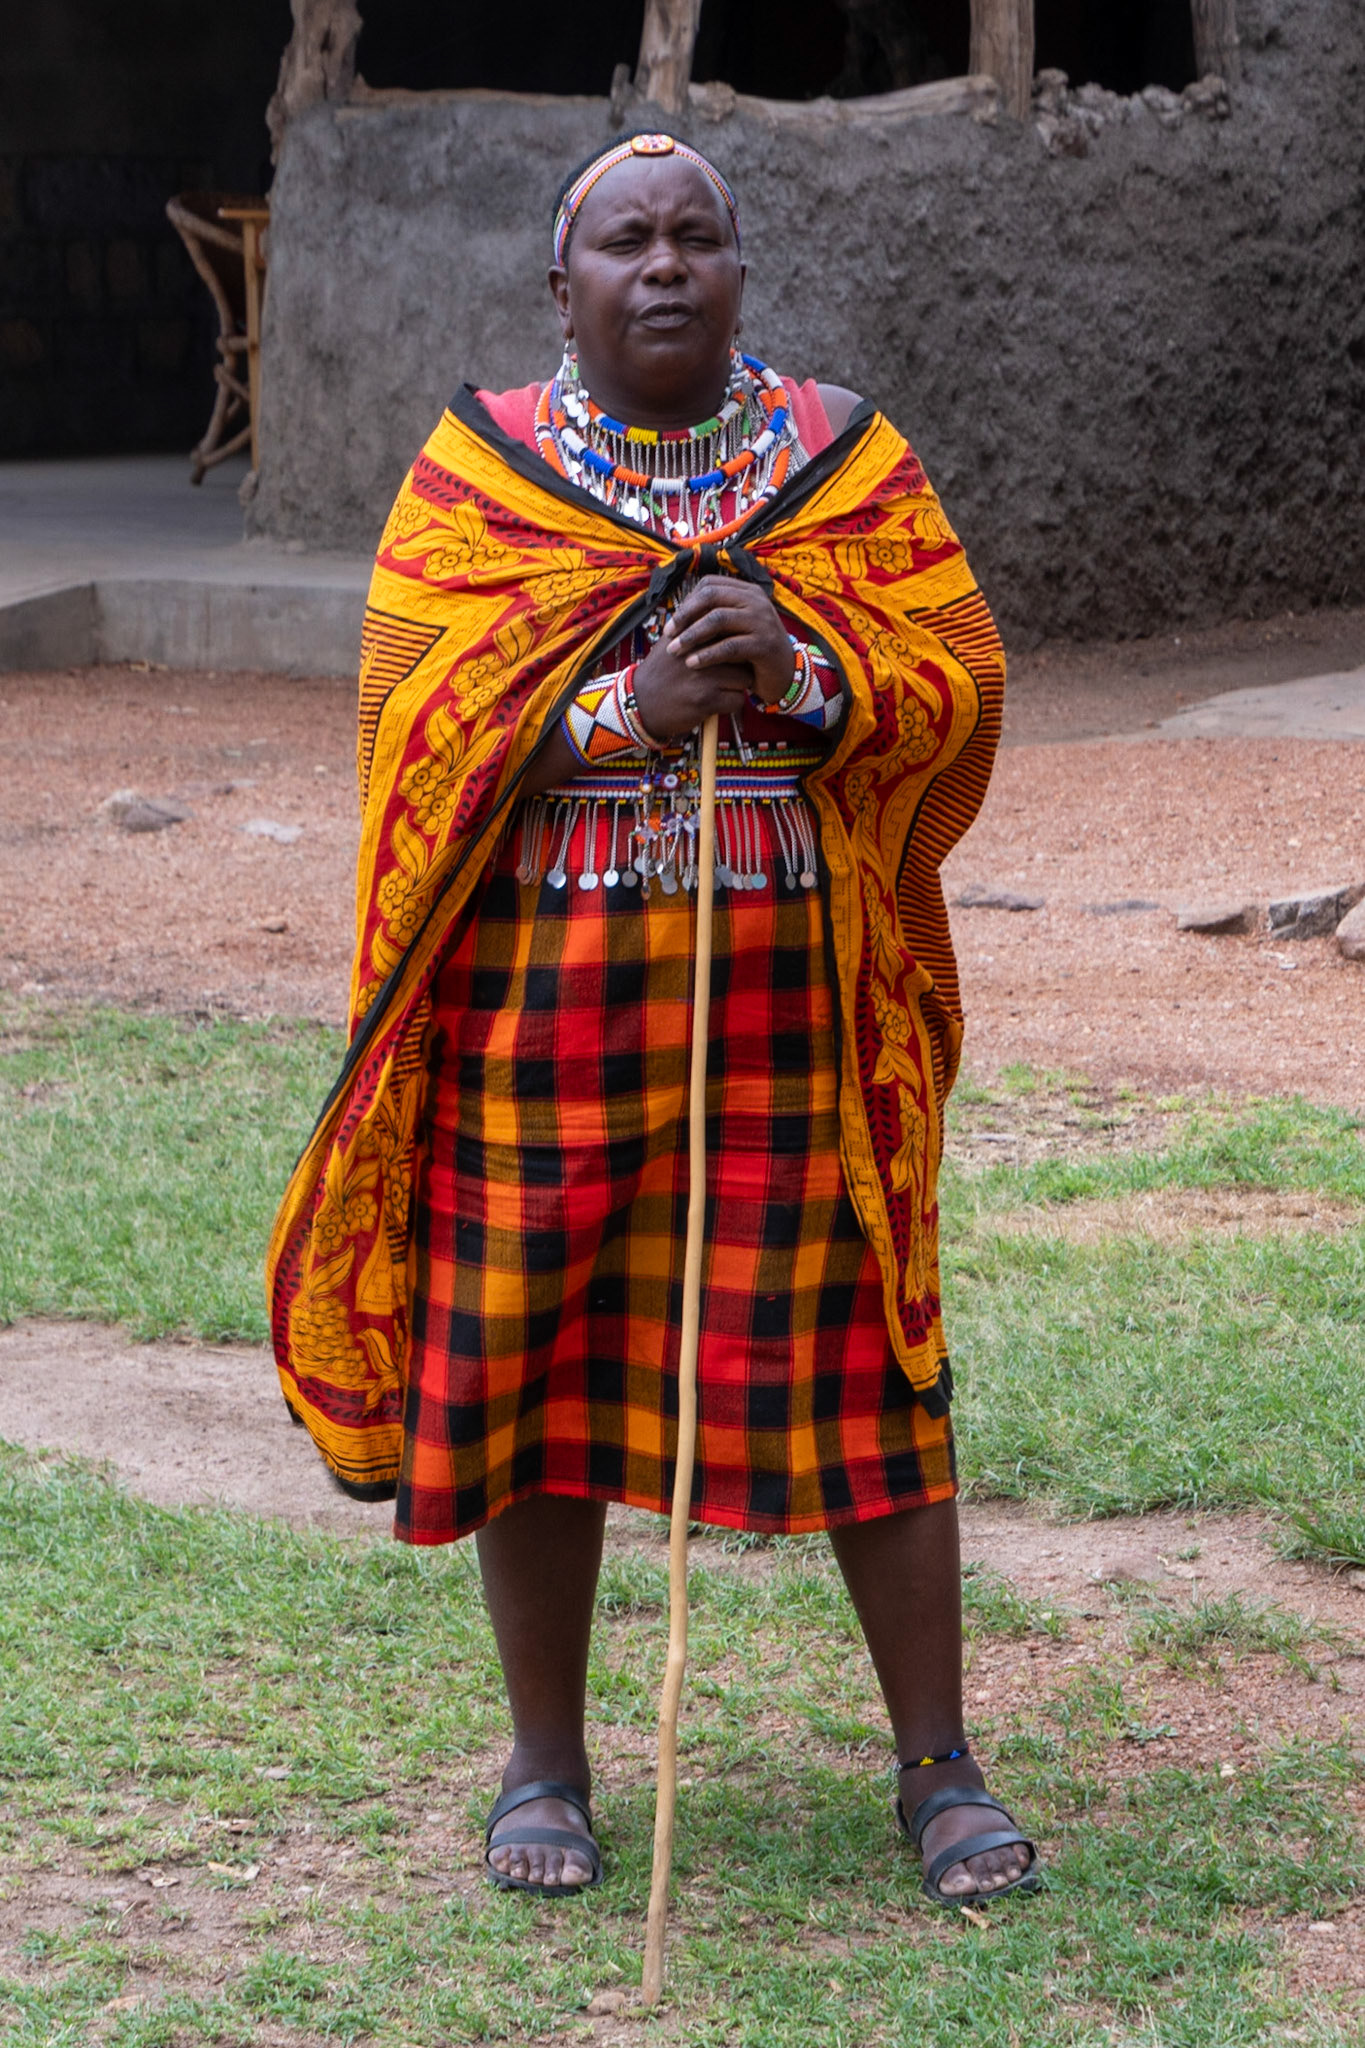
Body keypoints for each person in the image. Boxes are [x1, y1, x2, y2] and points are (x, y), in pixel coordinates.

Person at [268, 131, 1039, 1910]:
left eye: (699, 237)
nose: (666, 266)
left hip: (797, 1015)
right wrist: (619, 710)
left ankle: (937, 1764)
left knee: (867, 1372)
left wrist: (803, 665)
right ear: (566, 286)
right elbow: (417, 723)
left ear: (741, 272)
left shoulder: (845, 462)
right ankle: (544, 1765)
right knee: (538, 1374)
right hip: (549, 1014)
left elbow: (963, 683)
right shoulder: (480, 476)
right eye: (627, 242)